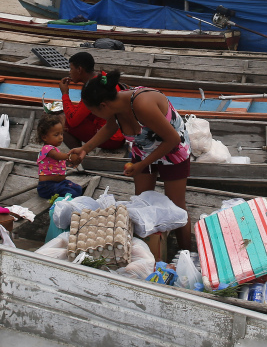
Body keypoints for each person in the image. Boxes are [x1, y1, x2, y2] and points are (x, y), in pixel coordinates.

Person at [68, 71, 192, 248]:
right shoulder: (115, 106)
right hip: (144, 150)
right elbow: (111, 126)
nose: (95, 116)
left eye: (93, 112)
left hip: (172, 150)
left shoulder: (143, 104)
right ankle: (150, 248)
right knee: (141, 202)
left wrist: (141, 165)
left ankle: (185, 252)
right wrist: (84, 149)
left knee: (177, 207)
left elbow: (172, 139)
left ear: (103, 106)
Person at [59, 52, 125, 150]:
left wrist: (65, 94)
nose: (70, 72)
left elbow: (72, 121)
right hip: (119, 131)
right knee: (65, 116)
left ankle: (79, 157)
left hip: (112, 137)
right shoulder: (102, 78)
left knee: (59, 122)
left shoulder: (92, 89)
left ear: (79, 69)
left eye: (71, 69)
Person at [35, 113, 84, 200]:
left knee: (78, 189)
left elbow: (59, 158)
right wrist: (69, 157)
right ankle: (60, 203)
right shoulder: (47, 149)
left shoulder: (55, 149)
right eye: (56, 135)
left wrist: (73, 160)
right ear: (44, 137)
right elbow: (56, 156)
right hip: (47, 186)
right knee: (71, 193)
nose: (61, 137)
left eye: (61, 134)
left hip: (60, 183)